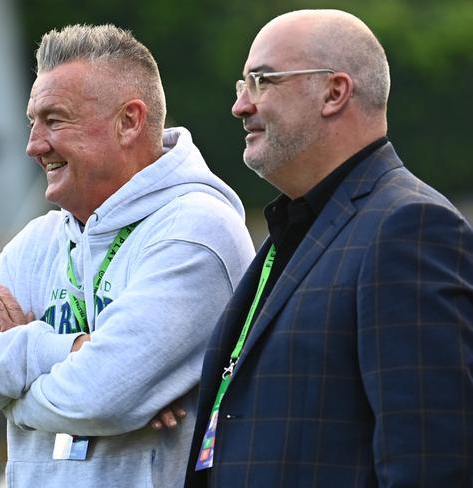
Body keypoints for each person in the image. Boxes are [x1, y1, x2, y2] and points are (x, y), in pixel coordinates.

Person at [0, 24, 254, 487]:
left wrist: (9, 394)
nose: (33, 145)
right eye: (32, 122)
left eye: (54, 120)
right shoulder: (39, 239)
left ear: (129, 122)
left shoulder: (195, 230)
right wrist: (64, 349)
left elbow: (99, 396)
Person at [185, 9, 473, 487]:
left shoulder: (409, 228)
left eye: (261, 81)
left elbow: (433, 458)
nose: (240, 105)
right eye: (242, 85)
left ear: (334, 93)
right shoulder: (298, 227)